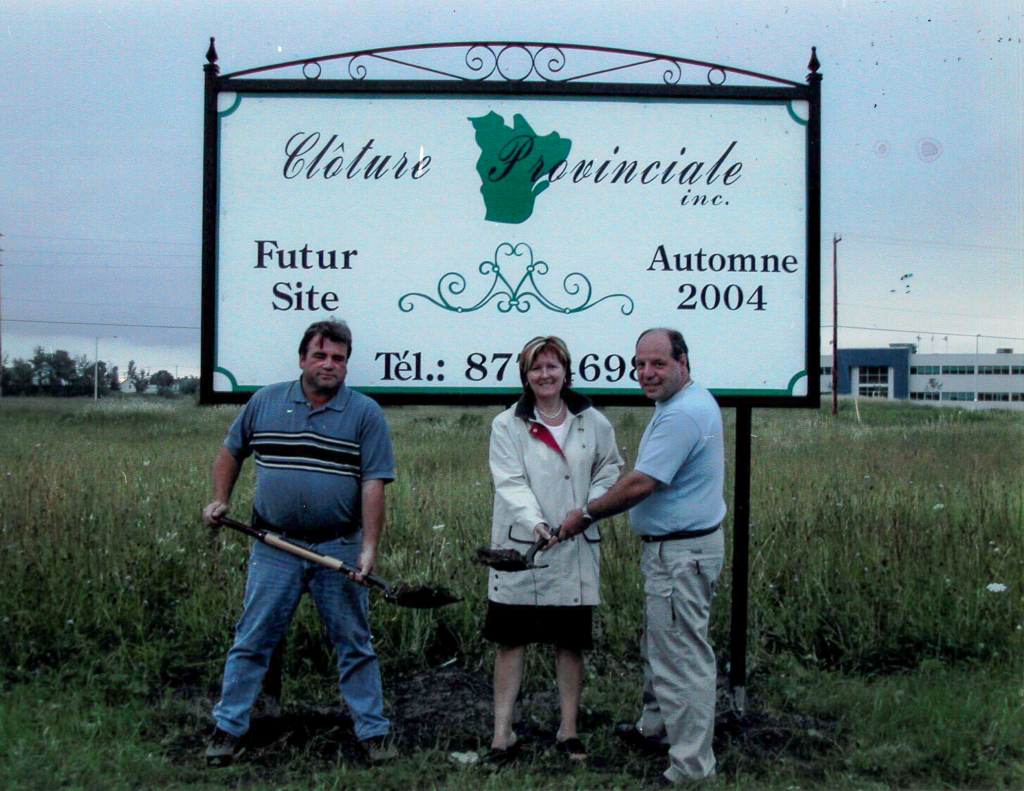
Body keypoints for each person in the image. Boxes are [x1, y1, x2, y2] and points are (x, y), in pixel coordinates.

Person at [201, 319, 397, 767]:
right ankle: (228, 727)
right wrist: (220, 500)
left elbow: (373, 484)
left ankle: (373, 732)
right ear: (302, 358)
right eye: (321, 355)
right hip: (274, 546)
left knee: (354, 643)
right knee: (253, 639)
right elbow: (232, 450)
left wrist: (368, 549)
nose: (330, 365)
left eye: (339, 358)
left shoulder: (366, 414)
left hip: (339, 549)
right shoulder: (264, 402)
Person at [557, 328, 726, 786]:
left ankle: (691, 767)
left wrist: (585, 513)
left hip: (681, 555)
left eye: (658, 364)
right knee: (661, 647)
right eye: (639, 364)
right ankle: (656, 730)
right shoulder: (682, 404)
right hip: (678, 551)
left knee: (682, 660)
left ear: (683, 362)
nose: (646, 374)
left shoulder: (683, 415)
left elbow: (640, 484)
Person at [484, 335, 623, 763]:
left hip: (575, 546)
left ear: (566, 370)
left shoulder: (594, 422)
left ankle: (568, 732)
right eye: (536, 368)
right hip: (520, 549)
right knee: (511, 642)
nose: (545, 375)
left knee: (569, 643)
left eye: (552, 366)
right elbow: (509, 483)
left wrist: (586, 511)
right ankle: (502, 735)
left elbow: (610, 469)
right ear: (525, 377)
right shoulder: (506, 425)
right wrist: (539, 525)